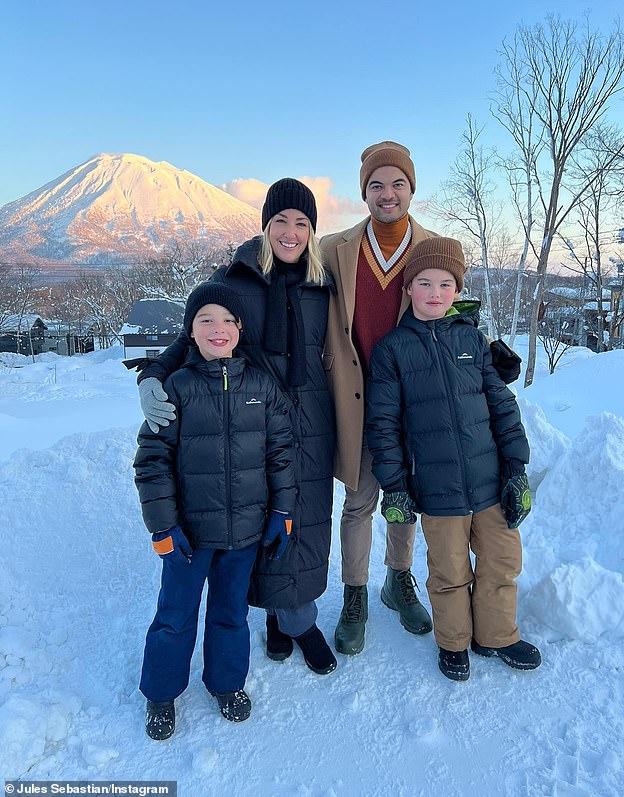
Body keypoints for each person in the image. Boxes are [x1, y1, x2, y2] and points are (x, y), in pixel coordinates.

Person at [320, 141, 521, 656]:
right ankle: (355, 593)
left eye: (398, 184)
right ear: (363, 192)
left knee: (408, 497)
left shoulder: (433, 245)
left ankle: (399, 579)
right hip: (356, 395)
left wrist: (487, 355)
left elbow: (457, 313)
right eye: (377, 185)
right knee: (362, 499)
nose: (388, 194)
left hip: (421, 399)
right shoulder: (334, 249)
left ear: (412, 189)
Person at [135, 179, 337, 676]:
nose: (291, 233)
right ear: (265, 226)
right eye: (280, 222)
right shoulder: (238, 280)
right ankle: (273, 617)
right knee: (254, 515)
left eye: (302, 223)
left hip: (313, 421)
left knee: (299, 521)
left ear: (313, 231)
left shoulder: (323, 284)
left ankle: (298, 620)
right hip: (250, 416)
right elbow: (198, 335)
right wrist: (153, 374)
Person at [365, 236, 542, 682]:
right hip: (437, 489)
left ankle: (497, 635)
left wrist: (516, 468)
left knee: (502, 563)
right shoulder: (392, 350)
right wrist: (396, 486)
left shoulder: (471, 341)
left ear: (458, 290)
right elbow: (383, 424)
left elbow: (502, 405)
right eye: (425, 283)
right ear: (408, 289)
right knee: (449, 572)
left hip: (489, 481)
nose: (436, 293)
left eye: (447, 284)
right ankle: (454, 642)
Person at [134, 284, 296, 739]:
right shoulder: (176, 388)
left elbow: (282, 453)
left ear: (240, 329)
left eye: (227, 320)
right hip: (189, 534)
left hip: (244, 533)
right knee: (175, 614)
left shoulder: (262, 387)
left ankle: (226, 684)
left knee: (230, 614)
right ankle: (161, 693)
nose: (218, 329)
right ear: (190, 331)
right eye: (206, 320)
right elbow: (152, 462)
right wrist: (163, 525)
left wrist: (282, 510)